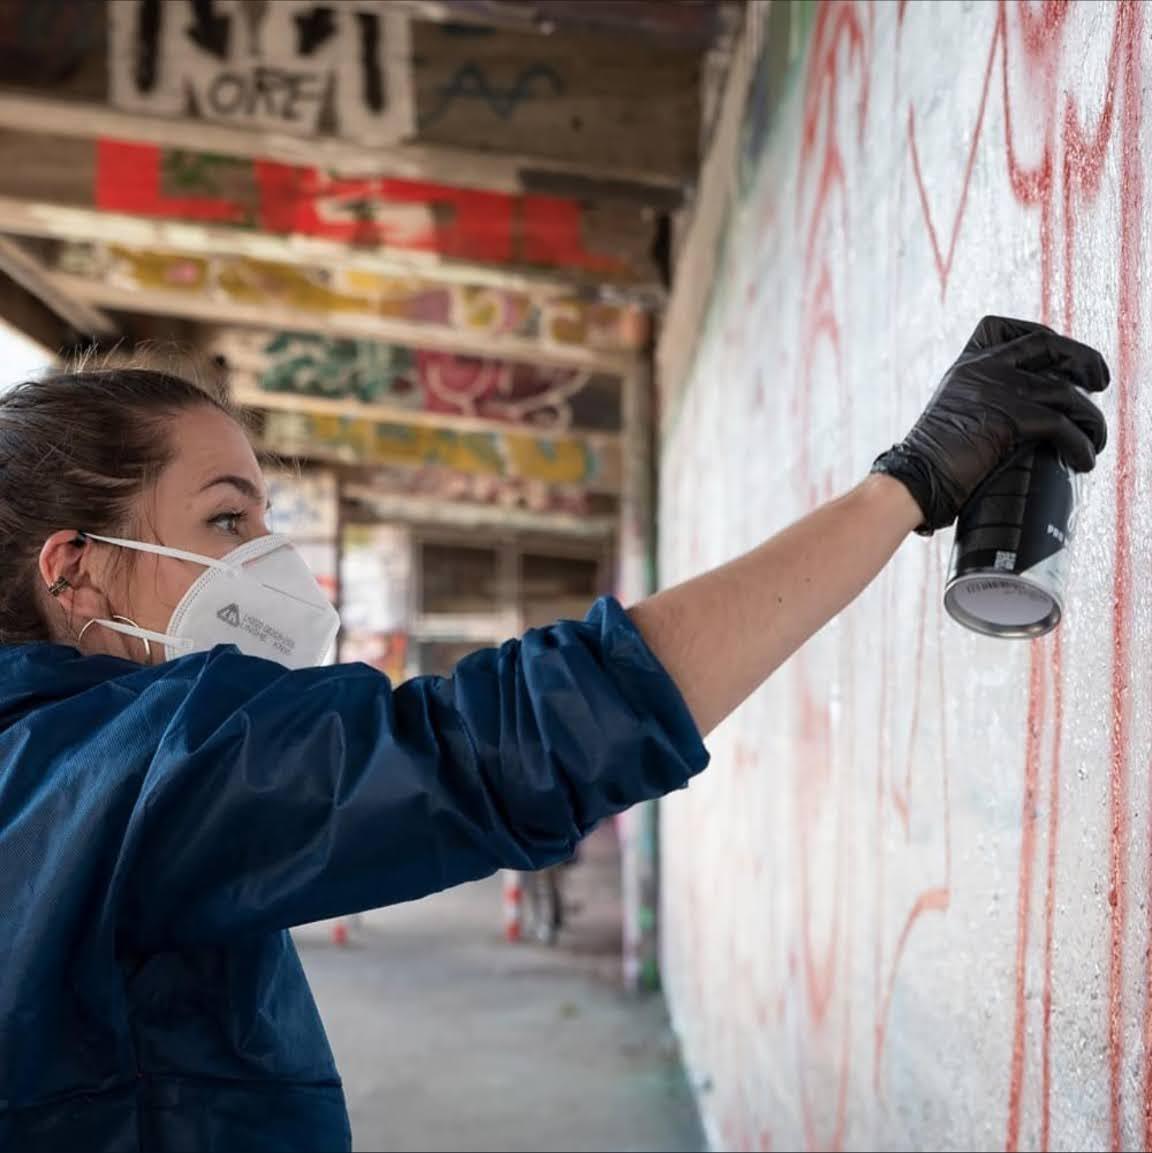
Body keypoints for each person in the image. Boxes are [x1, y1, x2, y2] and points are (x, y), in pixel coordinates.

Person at [0, 317, 1107, 1152]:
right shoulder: (105, 777)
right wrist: (905, 487)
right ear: (77, 567)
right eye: (227, 521)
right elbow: (502, 750)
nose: (265, 564)